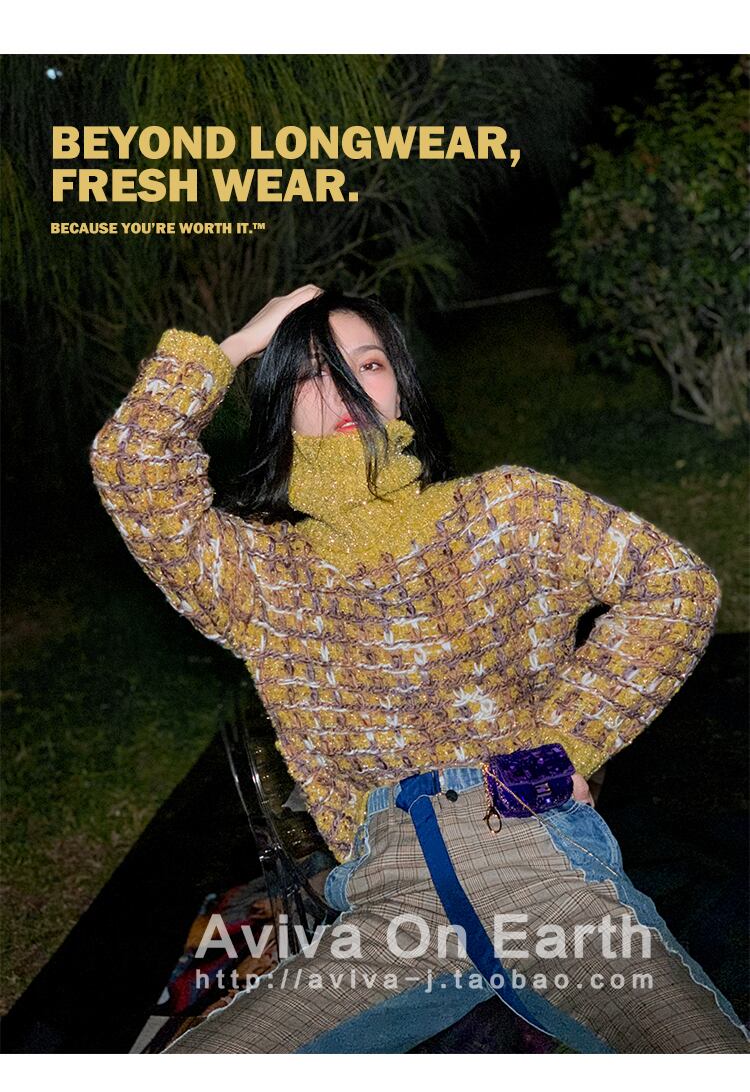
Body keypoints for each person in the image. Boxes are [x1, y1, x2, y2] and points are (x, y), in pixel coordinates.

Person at [89, 284, 750, 1053]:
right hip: (391, 906)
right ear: (277, 407)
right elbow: (133, 466)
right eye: (309, 374)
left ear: (397, 386)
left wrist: (563, 745)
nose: (344, 386)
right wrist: (238, 345)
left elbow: (673, 587)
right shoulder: (261, 577)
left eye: (366, 364)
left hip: (540, 867)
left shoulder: (506, 509)